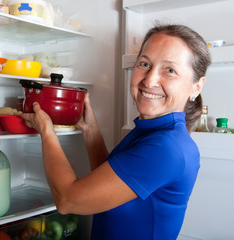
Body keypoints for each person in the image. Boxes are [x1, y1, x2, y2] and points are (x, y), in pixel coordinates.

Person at [21, 23, 211, 240]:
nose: (149, 80)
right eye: (144, 64)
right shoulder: (151, 131)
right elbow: (111, 183)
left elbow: (67, 200)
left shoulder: (166, 148)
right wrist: (90, 129)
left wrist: (46, 131)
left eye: (170, 70)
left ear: (197, 86)